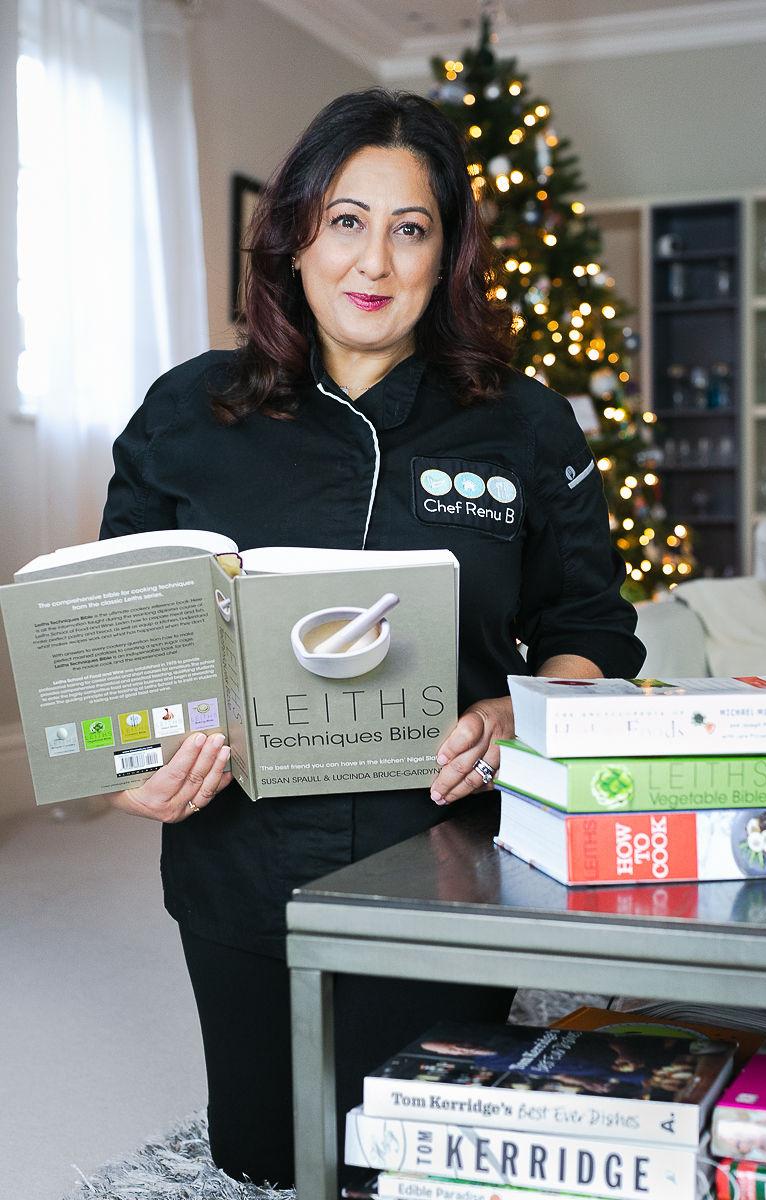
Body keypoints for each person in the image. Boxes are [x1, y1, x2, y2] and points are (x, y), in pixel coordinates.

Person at [100, 87, 645, 1188]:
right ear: (297, 234)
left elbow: (588, 628)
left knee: (418, 1160)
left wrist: (513, 715)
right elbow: (123, 646)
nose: (374, 261)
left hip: (445, 862)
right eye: (346, 220)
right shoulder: (187, 412)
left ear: (447, 255)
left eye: (410, 229)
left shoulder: (523, 422)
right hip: (240, 861)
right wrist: (130, 767)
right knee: (268, 1159)